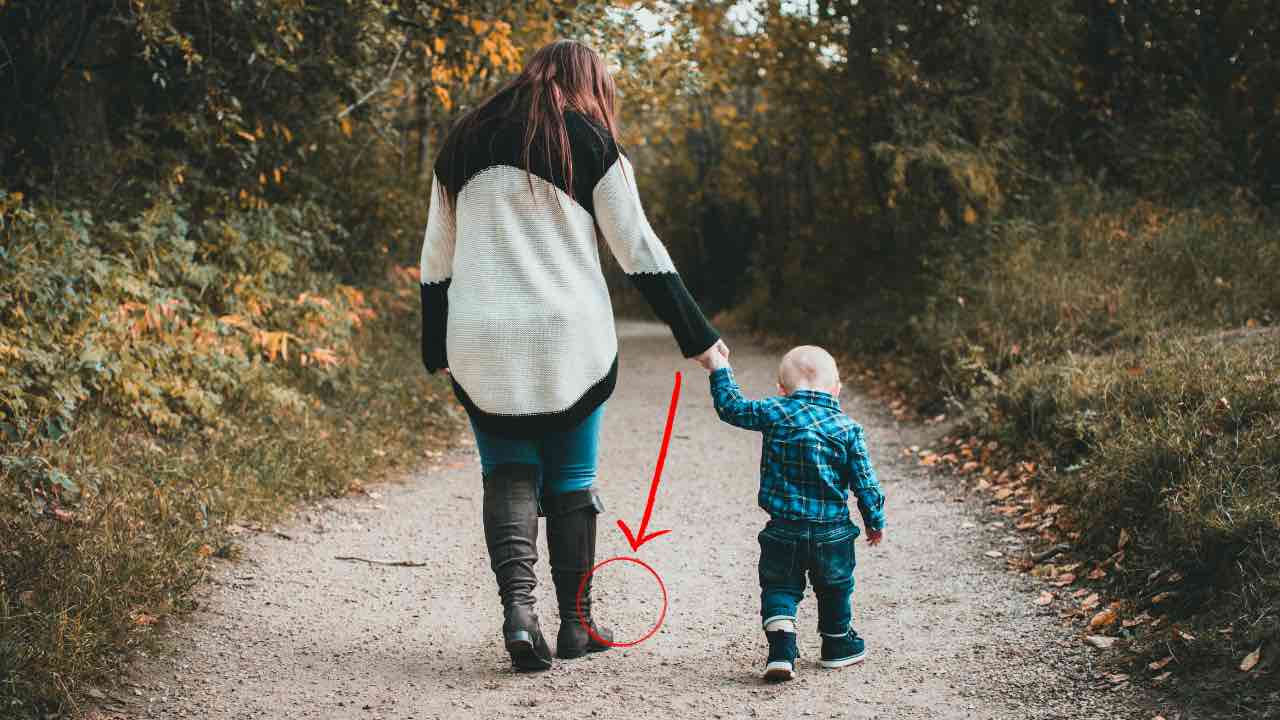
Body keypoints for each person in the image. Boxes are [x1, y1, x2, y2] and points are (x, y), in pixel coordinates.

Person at [419, 39, 729, 672]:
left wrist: (435, 345)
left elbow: (436, 257)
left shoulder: (463, 139)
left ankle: (518, 614)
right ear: (588, 82)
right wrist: (697, 336)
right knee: (571, 478)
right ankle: (577, 625)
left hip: (479, 332)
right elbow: (637, 246)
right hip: (570, 336)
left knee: (506, 469)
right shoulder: (587, 139)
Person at [704, 344, 885, 681]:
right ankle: (836, 644)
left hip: (783, 528)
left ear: (782, 390)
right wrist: (874, 520)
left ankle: (782, 650)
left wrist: (719, 368)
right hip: (833, 532)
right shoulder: (848, 429)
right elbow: (865, 483)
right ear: (837, 388)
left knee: (780, 587)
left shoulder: (774, 411)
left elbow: (732, 407)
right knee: (835, 586)